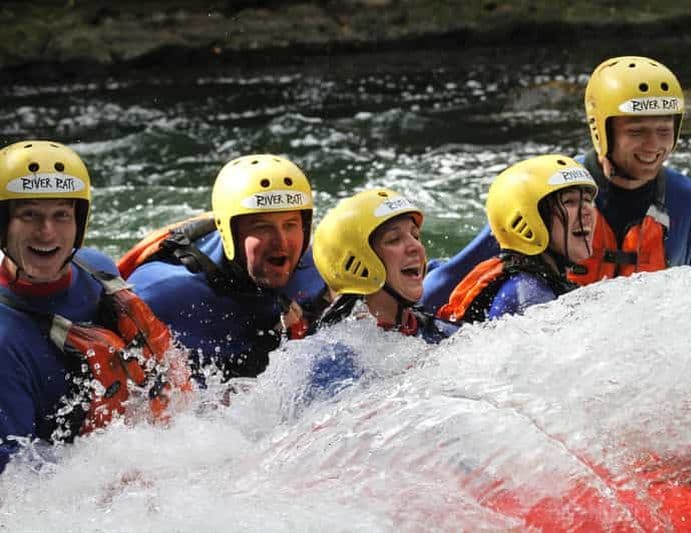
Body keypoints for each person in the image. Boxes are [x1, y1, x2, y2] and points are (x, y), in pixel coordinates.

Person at [421, 55, 691, 313]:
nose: (654, 146)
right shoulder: (545, 191)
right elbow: (452, 277)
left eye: (664, 131)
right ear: (602, 131)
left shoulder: (685, 200)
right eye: (637, 131)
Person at [0, 140, 187, 473]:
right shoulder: (4, 339)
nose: (47, 232)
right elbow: (14, 484)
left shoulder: (97, 270)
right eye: (29, 215)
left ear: (80, 222)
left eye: (62, 215)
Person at [124, 154, 325, 380]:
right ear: (229, 234)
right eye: (262, 227)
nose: (281, 241)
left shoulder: (319, 271)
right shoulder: (161, 295)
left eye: (290, 225)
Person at [436, 154, 597, 322]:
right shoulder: (529, 294)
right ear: (528, 219)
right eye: (569, 202)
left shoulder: (538, 282)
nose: (587, 211)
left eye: (587, 200)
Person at [312, 188, 459, 342]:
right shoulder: (333, 352)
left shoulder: (446, 335)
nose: (416, 247)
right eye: (394, 239)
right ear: (359, 263)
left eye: (415, 236)